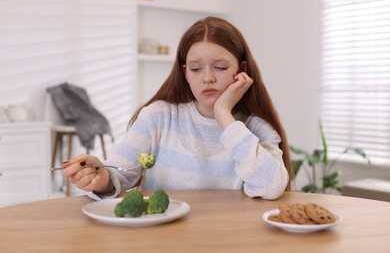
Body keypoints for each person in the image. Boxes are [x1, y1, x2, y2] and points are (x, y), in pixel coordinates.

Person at [63, 16, 292, 200]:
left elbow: (270, 187)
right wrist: (99, 177)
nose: (208, 78)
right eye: (196, 69)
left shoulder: (256, 128)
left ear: (241, 70)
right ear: (185, 73)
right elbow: (118, 175)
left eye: (220, 67)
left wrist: (224, 115)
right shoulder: (158, 116)